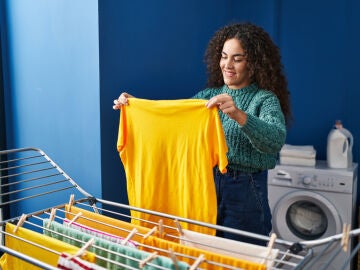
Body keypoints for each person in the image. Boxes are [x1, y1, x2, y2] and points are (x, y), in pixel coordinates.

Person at [113, 22, 291, 245]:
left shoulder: (264, 99)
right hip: (202, 185)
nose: (228, 64)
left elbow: (275, 140)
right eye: (224, 56)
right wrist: (135, 106)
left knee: (242, 254)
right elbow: (174, 119)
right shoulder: (208, 96)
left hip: (244, 190)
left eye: (237, 58)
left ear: (254, 64)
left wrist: (238, 114)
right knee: (204, 251)